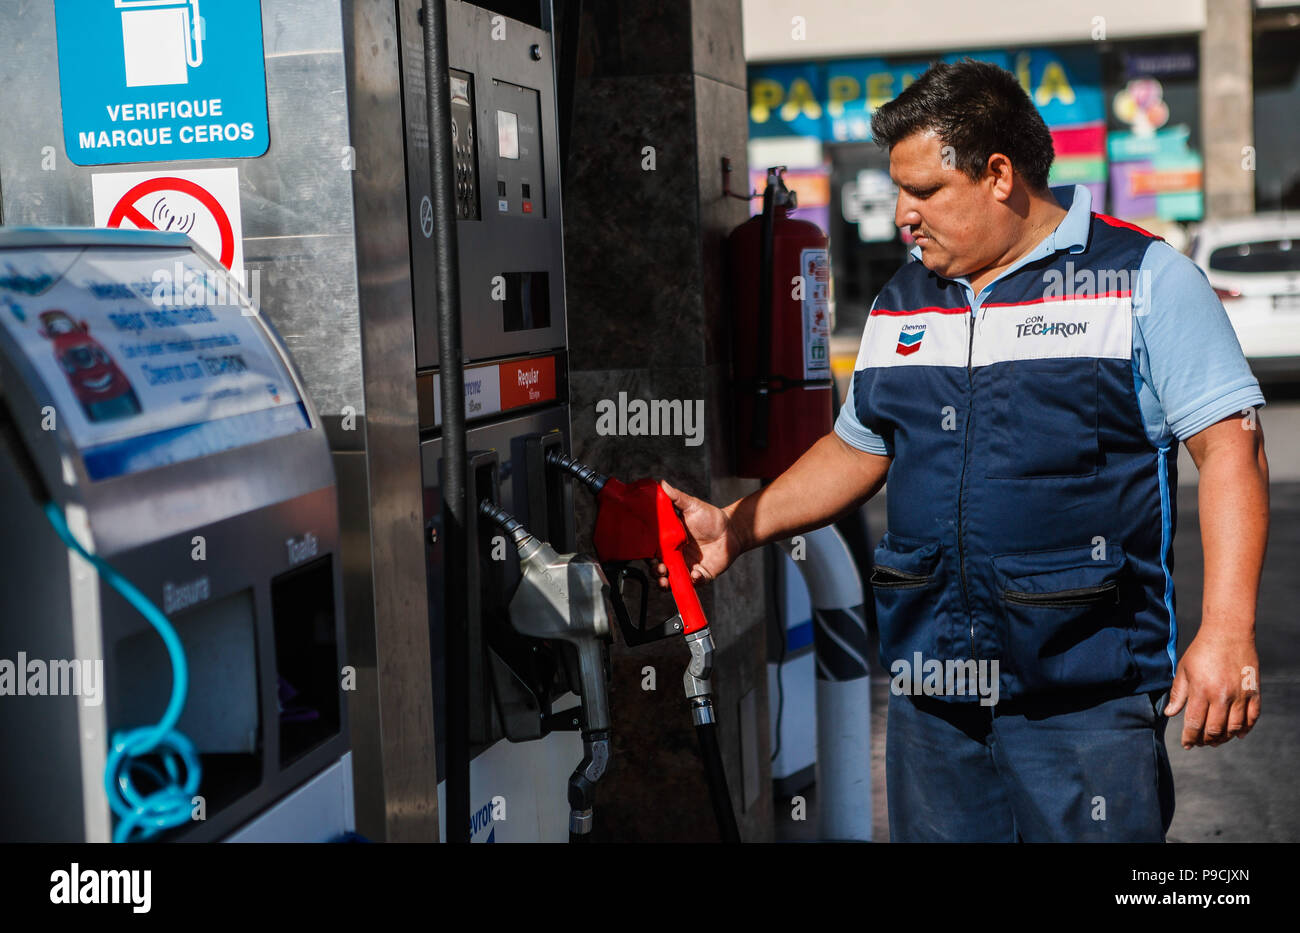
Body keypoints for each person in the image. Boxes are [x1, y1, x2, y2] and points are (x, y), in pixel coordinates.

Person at [657, 60, 1269, 842]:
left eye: (924, 192)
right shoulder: (905, 299)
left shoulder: (1143, 280)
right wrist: (738, 526)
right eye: (899, 192)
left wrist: (1224, 632)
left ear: (1000, 175)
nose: (901, 216)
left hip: (1084, 704)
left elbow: (1232, 452)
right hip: (932, 698)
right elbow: (860, 444)